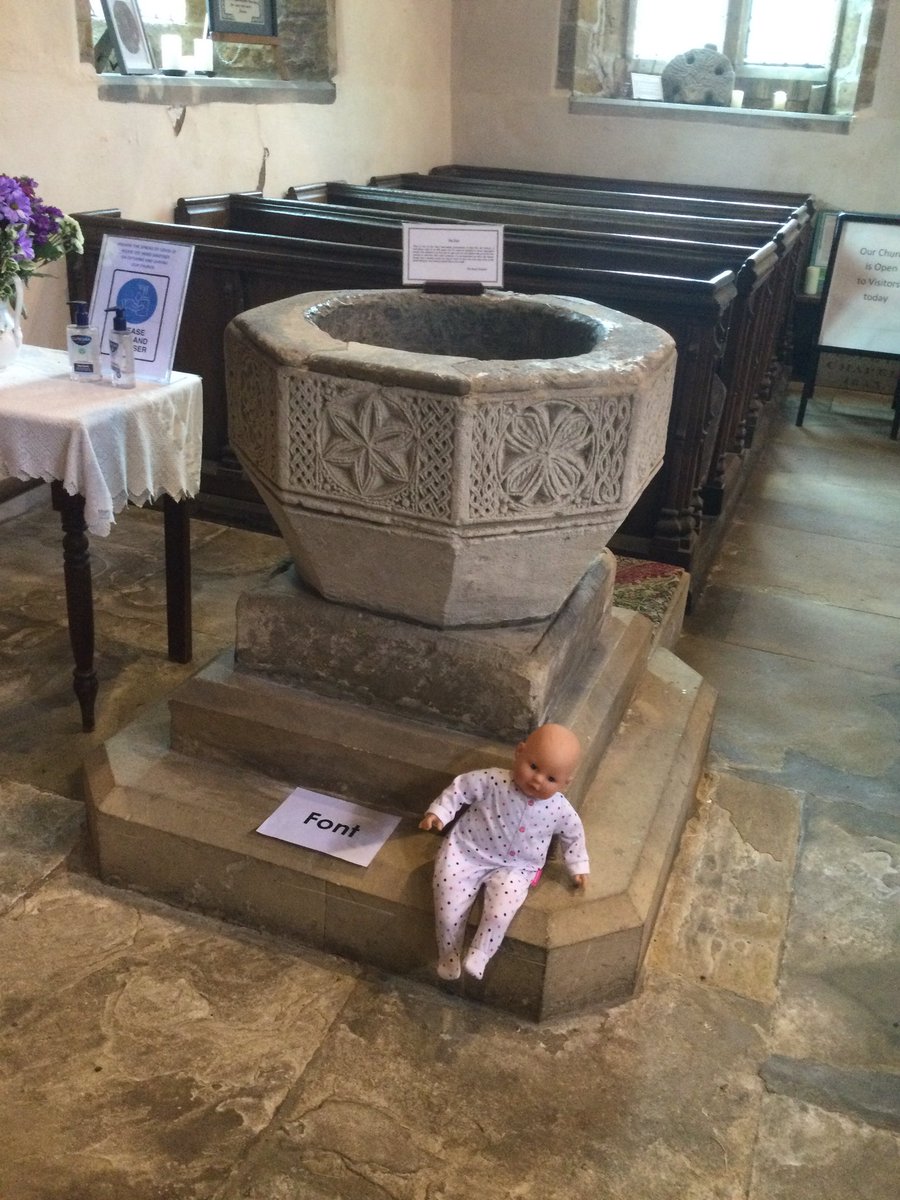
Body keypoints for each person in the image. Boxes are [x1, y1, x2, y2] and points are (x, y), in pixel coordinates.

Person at [419, 723, 589, 981]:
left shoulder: (560, 809)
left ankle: (481, 952)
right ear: (519, 752)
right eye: (533, 767)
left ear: (566, 783)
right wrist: (439, 813)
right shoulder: (493, 780)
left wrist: (577, 866)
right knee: (446, 903)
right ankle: (448, 953)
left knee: (501, 910)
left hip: (518, 866)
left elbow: (574, 835)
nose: (537, 780)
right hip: (467, 850)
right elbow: (460, 789)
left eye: (551, 778)